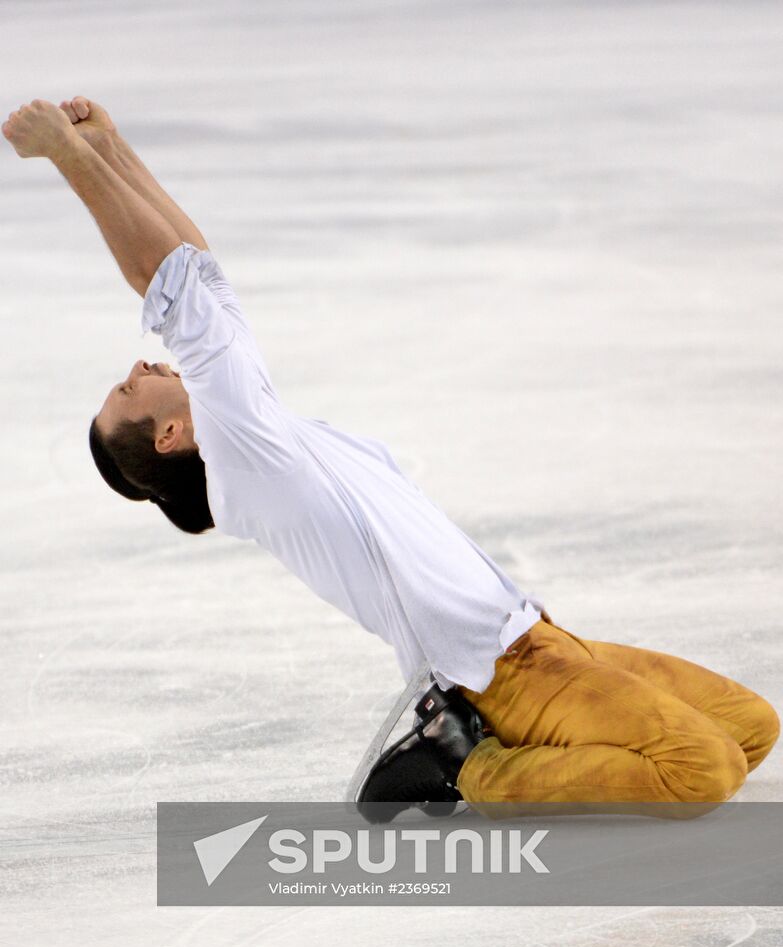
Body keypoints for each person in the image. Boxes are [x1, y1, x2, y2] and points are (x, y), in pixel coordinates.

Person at [3, 97, 778, 822]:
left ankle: (550, 770)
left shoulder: (267, 432)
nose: (141, 368)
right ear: (170, 439)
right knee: (697, 770)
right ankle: (471, 765)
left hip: (546, 639)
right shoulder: (248, 462)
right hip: (498, 675)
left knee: (751, 728)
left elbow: (199, 275)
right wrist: (68, 158)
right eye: (126, 389)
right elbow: (172, 292)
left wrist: (111, 149)